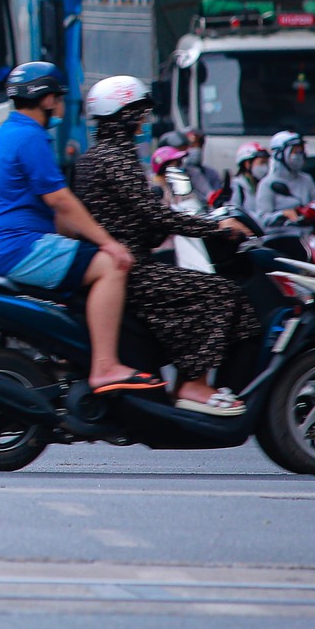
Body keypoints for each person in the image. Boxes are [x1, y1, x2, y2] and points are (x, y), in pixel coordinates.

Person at [74, 76, 259, 415]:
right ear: (123, 115)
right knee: (220, 293)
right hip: (130, 269)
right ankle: (193, 383)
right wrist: (216, 228)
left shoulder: (101, 155)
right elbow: (155, 216)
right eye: (139, 114)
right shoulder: (114, 158)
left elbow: (142, 218)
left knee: (230, 304)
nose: (143, 122)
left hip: (130, 261)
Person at [0, 61, 154, 394]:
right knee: (111, 266)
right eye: (58, 97)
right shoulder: (30, 137)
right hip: (16, 247)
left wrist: (86, 235)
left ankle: (73, 358)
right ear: (46, 99)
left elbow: (56, 213)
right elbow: (61, 201)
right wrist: (109, 242)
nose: (60, 105)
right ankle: (106, 367)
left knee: (87, 259)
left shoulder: (5, 132)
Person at [253, 130, 315, 228]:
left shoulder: (306, 179)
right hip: (281, 237)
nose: (298, 156)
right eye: (294, 152)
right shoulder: (267, 183)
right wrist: (283, 214)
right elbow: (262, 218)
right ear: (280, 154)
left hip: (308, 235)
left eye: (300, 151)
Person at [225, 140, 269, 214]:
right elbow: (233, 213)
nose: (265, 167)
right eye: (261, 162)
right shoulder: (237, 186)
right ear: (247, 164)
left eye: (266, 163)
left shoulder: (266, 184)